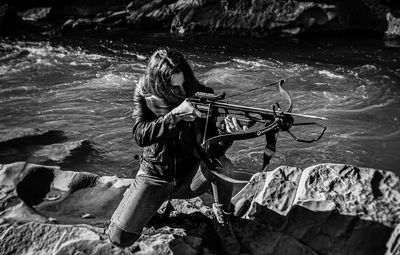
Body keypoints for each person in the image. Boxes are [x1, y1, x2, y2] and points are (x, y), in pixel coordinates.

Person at [107, 48, 243, 255]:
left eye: (184, 84)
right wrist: (174, 116)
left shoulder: (203, 94)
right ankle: (140, 197)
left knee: (224, 164)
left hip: (191, 177)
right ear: (160, 84)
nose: (181, 91)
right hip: (156, 176)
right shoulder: (144, 93)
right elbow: (140, 135)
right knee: (119, 238)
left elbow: (212, 149)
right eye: (174, 87)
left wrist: (227, 134)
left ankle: (222, 218)